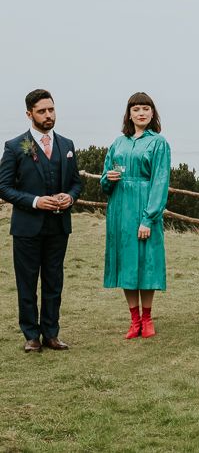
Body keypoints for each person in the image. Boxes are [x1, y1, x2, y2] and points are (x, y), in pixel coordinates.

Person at [0, 89, 82, 352]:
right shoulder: (15, 147)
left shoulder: (67, 145)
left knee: (54, 281)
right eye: (42, 111)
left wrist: (69, 198)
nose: (48, 115)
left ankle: (51, 333)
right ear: (29, 114)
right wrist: (36, 201)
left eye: (51, 109)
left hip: (59, 226)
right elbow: (4, 187)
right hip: (27, 227)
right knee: (27, 282)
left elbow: (75, 184)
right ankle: (31, 336)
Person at [100, 92, 171, 339]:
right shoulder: (118, 143)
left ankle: (148, 318)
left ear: (153, 113)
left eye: (146, 109)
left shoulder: (159, 143)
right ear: (129, 114)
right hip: (120, 210)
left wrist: (148, 218)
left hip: (144, 207)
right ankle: (134, 320)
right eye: (136, 109)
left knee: (146, 263)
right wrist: (107, 179)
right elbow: (105, 179)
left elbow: (160, 181)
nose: (141, 113)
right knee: (127, 265)